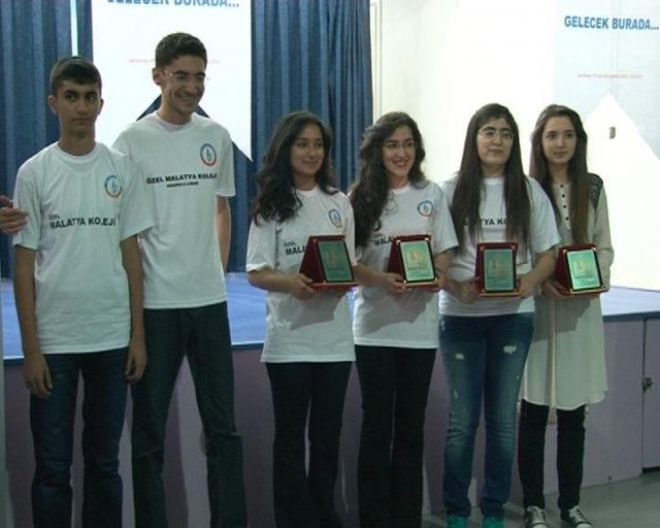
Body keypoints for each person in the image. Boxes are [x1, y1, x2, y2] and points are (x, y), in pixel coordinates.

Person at [112, 33, 247, 528]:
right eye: (181, 76)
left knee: (224, 432)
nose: (192, 87)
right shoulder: (130, 141)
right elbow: (124, 229)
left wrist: (216, 273)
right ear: (158, 77)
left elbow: (221, 209)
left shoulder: (217, 136)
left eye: (199, 77)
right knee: (149, 436)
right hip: (155, 306)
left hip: (209, 305)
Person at [12, 56, 151, 528]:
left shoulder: (121, 169)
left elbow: (132, 257)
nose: (82, 107)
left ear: (101, 104)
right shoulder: (34, 173)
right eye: (71, 97)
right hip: (55, 343)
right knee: (53, 469)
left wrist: (137, 336)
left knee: (105, 464)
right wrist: (32, 349)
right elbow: (24, 265)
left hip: (111, 339)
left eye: (90, 97)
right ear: (54, 104)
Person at [438, 103, 560, 528]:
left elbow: (548, 254)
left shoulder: (528, 191)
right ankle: (456, 510)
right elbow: (437, 259)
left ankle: (492, 509)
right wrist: (455, 287)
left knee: (503, 422)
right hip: (460, 317)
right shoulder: (449, 190)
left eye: (506, 133)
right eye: (489, 131)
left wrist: (530, 282)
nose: (497, 140)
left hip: (514, 316)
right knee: (461, 422)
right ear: (474, 138)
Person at [246, 111, 355, 528]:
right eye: (302, 144)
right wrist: (291, 283)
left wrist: (340, 284)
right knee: (290, 440)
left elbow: (347, 265)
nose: (312, 152)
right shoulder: (271, 207)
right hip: (289, 341)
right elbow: (257, 272)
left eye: (318, 145)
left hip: (335, 342)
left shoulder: (339, 202)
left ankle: (324, 515)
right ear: (286, 149)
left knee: (327, 438)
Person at [349, 112, 457, 528]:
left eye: (408, 144)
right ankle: (374, 519)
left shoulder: (431, 194)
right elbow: (347, 263)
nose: (401, 153)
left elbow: (444, 250)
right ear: (377, 150)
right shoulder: (358, 198)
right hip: (373, 331)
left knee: (411, 428)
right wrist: (381, 279)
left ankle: (406, 517)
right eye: (392, 145)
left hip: (419, 333)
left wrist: (438, 276)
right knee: (376, 428)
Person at [518, 105, 614, 528]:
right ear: (539, 142)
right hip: (539, 313)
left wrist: (594, 280)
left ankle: (570, 505)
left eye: (568, 135)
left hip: (581, 315)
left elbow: (603, 246)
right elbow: (519, 249)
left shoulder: (593, 187)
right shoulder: (524, 190)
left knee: (574, 415)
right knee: (534, 413)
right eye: (552, 135)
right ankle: (533, 506)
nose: (560, 143)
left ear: (579, 141)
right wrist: (541, 284)